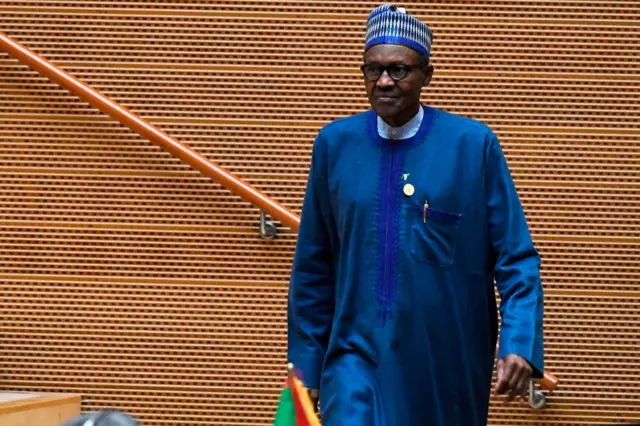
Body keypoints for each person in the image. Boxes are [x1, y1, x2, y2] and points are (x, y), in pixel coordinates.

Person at [286, 3, 544, 426]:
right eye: (372, 70)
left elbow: (515, 258)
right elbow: (313, 265)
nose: (384, 81)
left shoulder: (472, 146)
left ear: (427, 73)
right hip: (353, 359)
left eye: (399, 70)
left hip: (444, 364)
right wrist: (306, 364)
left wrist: (519, 342)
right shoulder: (334, 145)